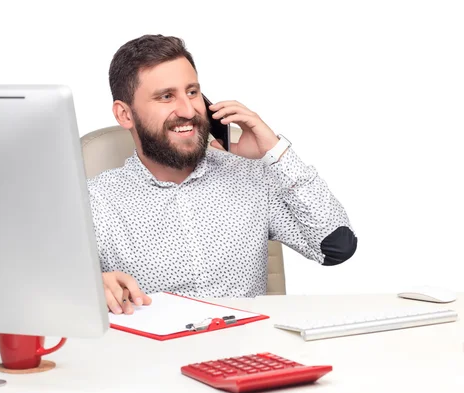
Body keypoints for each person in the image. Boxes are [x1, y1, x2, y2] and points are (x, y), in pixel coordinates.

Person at [87, 34, 357, 315]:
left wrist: (275, 153)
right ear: (124, 115)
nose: (188, 110)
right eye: (166, 97)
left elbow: (336, 246)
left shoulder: (252, 177)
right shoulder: (93, 201)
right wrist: (91, 287)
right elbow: (47, 291)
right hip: (156, 355)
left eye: (192, 92)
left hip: (248, 352)